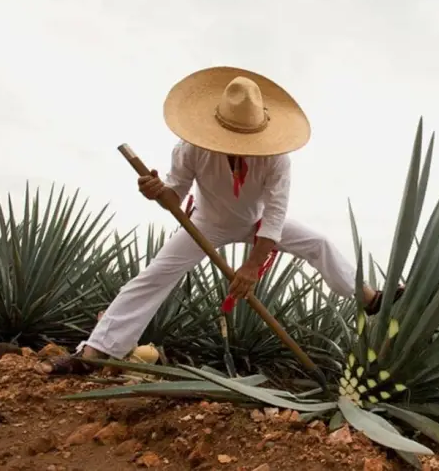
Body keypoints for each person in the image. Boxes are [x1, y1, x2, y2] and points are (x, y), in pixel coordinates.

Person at [37, 66, 402, 375]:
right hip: (206, 224)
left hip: (258, 225)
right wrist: (156, 191)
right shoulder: (191, 148)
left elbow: (275, 213)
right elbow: (175, 195)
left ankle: (369, 300)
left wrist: (251, 267)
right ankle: (96, 351)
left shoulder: (276, 158)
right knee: (154, 276)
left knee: (318, 244)